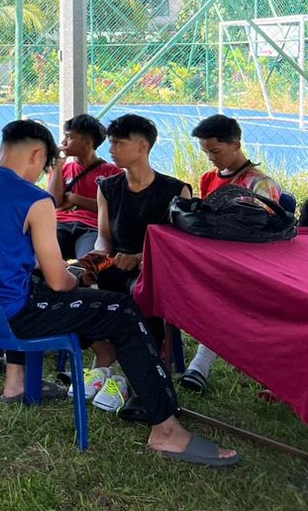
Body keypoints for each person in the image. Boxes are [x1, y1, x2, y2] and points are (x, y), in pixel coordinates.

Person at [0, 119, 236, 465]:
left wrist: (54, 271)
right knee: (122, 311)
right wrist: (74, 276)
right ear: (38, 155)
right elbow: (58, 283)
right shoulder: (34, 200)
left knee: (71, 290)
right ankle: (166, 431)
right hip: (14, 315)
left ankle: (18, 383)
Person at [80, 115, 190, 414]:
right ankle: (106, 364)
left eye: (119, 143)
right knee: (71, 286)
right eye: (111, 142)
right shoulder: (108, 187)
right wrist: (91, 263)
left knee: (141, 292)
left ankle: (145, 382)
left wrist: (141, 259)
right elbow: (103, 239)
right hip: (116, 265)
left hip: (157, 269)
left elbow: (178, 247)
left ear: (142, 147)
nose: (112, 149)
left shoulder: (176, 191)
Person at [180, 114, 283, 394]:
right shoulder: (208, 178)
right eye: (206, 152)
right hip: (214, 258)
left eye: (216, 151)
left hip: (249, 264)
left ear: (236, 144)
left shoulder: (260, 184)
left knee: (221, 298)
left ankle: (200, 364)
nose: (211, 159)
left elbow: (262, 233)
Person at [48, 114, 121, 261]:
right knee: (45, 256)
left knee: (87, 262)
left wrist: (75, 199)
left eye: (69, 137)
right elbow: (54, 202)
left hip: (92, 227)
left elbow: (112, 210)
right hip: (60, 224)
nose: (63, 142)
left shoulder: (112, 172)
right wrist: (57, 166)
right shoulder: (62, 169)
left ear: (87, 143)